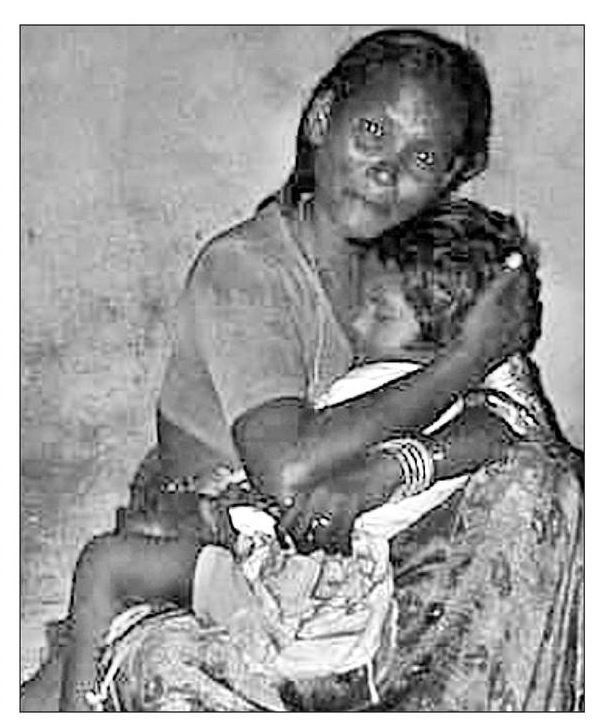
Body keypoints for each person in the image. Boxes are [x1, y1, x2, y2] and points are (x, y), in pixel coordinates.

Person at [48, 29, 581, 711]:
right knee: (155, 650)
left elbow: (519, 424)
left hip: (357, 569)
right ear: (322, 120)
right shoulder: (246, 270)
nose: (386, 170)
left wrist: (387, 471)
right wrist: (465, 358)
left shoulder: (423, 265)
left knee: (545, 485)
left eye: (421, 157)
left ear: (450, 175)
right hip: (223, 556)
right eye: (372, 132)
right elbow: (287, 470)